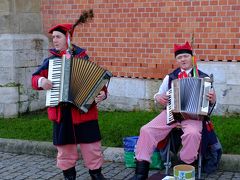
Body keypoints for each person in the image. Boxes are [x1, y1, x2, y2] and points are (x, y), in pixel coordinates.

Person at [129, 41, 216, 180]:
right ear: (176, 60)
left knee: (192, 134)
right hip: (171, 113)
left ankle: (184, 166)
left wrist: (212, 100)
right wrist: (158, 97)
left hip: (194, 117)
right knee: (146, 130)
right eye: (179, 57)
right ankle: (141, 172)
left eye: (186, 56)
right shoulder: (170, 77)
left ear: (192, 58)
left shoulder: (203, 77)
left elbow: (211, 106)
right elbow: (158, 94)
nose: (183, 59)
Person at [32, 23, 108, 180]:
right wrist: (41, 81)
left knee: (92, 146)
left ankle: (96, 174)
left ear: (68, 38)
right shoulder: (50, 62)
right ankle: (69, 176)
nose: (54, 40)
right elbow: (34, 78)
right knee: (65, 149)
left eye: (58, 37)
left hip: (84, 112)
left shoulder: (84, 58)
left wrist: (103, 94)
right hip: (62, 113)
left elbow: (97, 81)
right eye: (53, 37)